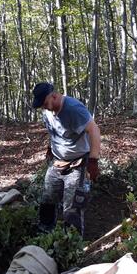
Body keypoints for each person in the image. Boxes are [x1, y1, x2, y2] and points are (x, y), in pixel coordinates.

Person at [32, 82, 101, 236]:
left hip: (77, 164)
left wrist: (93, 161)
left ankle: (72, 242)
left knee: (73, 207)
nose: (44, 107)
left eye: (45, 104)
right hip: (57, 162)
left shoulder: (73, 109)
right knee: (47, 199)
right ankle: (45, 233)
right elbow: (54, 131)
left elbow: (94, 130)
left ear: (54, 96)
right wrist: (50, 148)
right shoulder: (48, 111)